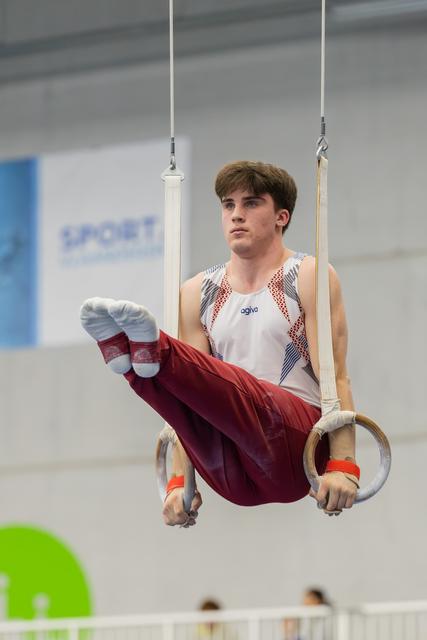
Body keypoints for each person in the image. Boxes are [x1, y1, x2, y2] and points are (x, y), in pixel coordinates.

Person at [80, 160, 360, 527]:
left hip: (295, 447)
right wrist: (179, 481)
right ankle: (135, 364)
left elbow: (336, 375)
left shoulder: (308, 275)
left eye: (252, 203)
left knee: (240, 390)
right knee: (188, 397)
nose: (236, 215)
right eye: (228, 205)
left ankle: (157, 351)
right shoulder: (197, 292)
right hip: (232, 477)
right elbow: (193, 394)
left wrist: (343, 465)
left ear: (282, 216)